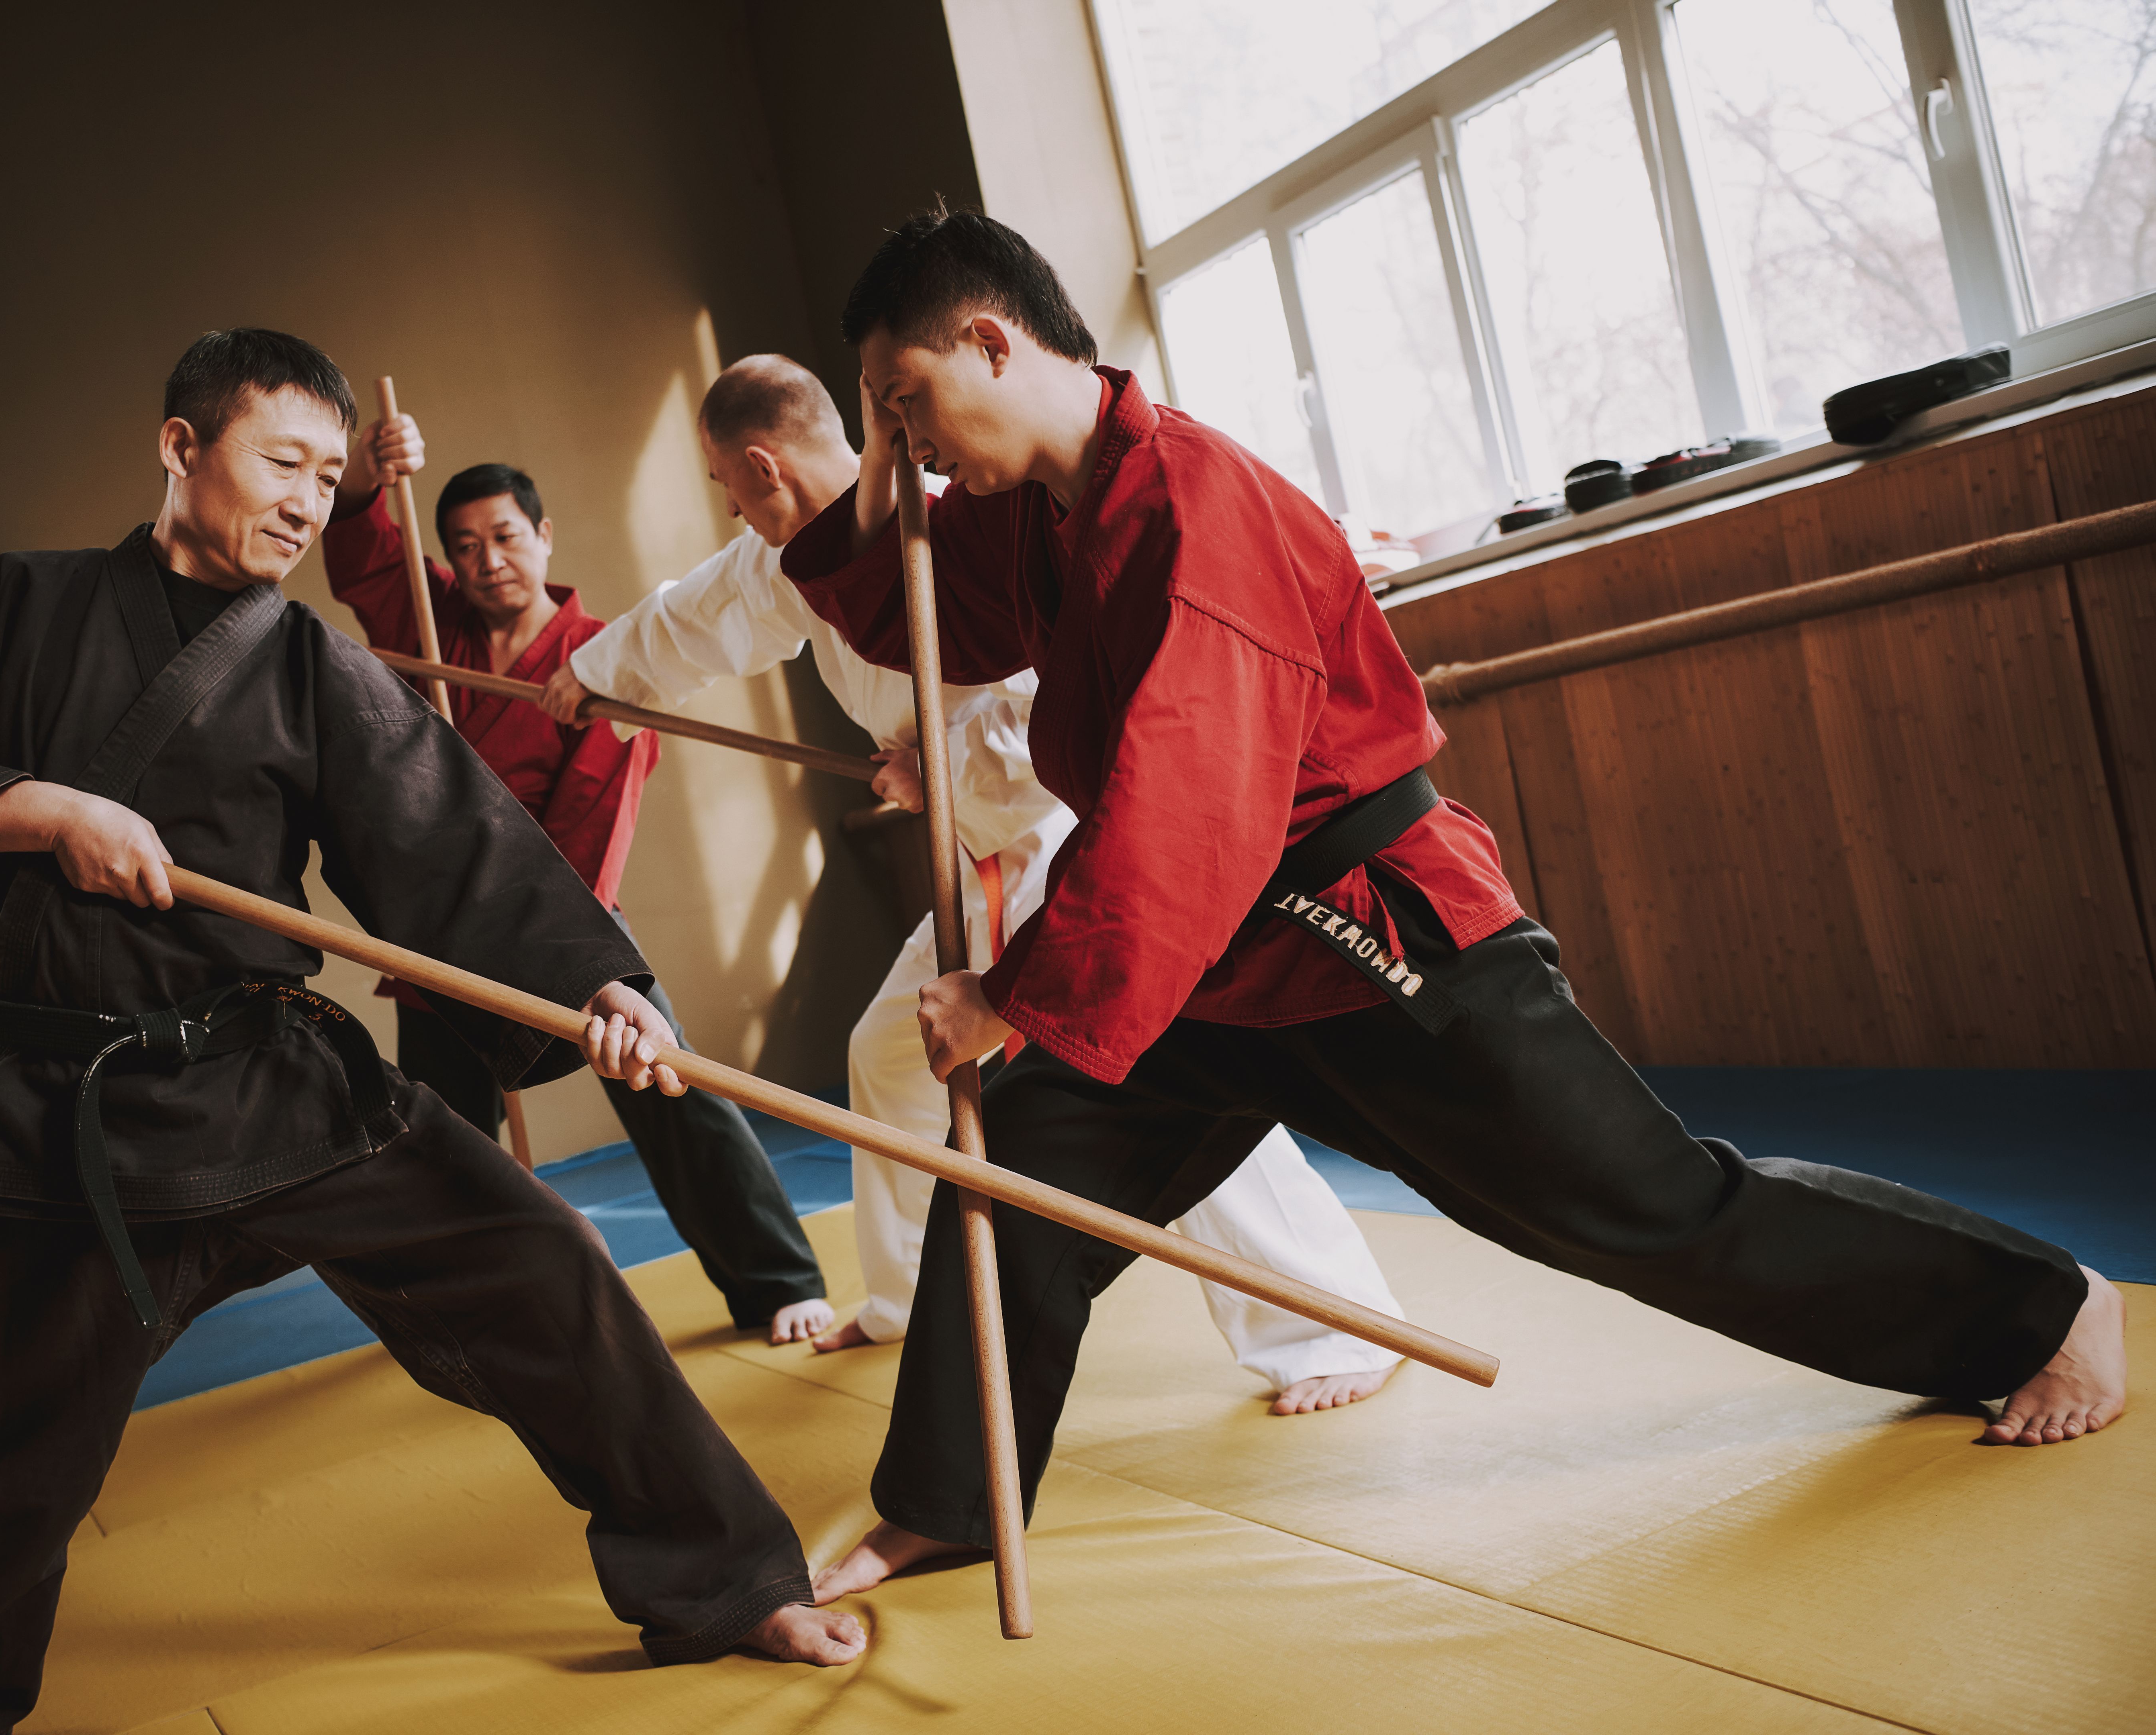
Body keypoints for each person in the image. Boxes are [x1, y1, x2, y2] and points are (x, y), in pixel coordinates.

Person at [766, 211, 2127, 1602]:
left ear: (991, 341)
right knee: (1016, 1187)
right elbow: (932, 620)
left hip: (1364, 933)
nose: (908, 439)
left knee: (1645, 1208)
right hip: (1214, 964)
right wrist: (870, 471)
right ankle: (947, 1499)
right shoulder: (1037, 511)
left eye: (909, 401)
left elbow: (1192, 809)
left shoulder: (1194, 503)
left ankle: (2037, 1305)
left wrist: (1010, 991)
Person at [0, 329, 862, 1731]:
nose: (309, 501)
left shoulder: (306, 661)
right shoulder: (8, 612)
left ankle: (728, 1580)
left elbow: (446, 840)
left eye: (326, 474)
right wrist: (47, 813)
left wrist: (599, 987)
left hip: (270, 1084)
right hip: (71, 1118)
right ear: (181, 450)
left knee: (544, 1263)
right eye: (280, 462)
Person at [543, 353, 1405, 1413]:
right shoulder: (792, 561)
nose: (734, 511)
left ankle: (1329, 1326)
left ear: (763, 467)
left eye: (730, 488)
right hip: (981, 859)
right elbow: (691, 616)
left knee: (1152, 1077)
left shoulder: (953, 527)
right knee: (893, 1057)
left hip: (1074, 845)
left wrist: (943, 761)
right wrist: (590, 681)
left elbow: (1063, 691)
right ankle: (908, 1297)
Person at [320, 437, 835, 1345]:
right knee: (437, 1134)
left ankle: (777, 1281)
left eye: (507, 537)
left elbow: (595, 823)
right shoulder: (433, 625)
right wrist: (368, 470)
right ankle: (470, 1314)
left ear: (544, 536)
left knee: (670, 1084)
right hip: (438, 923)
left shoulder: (604, 664)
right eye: (466, 545)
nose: (488, 561)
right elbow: (363, 553)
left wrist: (546, 941)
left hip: (561, 913)